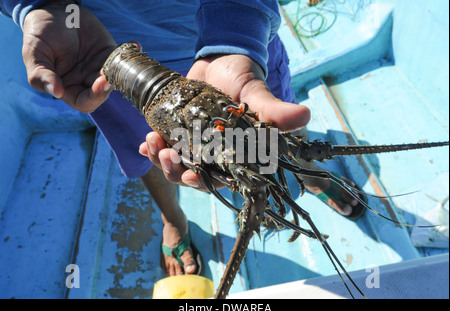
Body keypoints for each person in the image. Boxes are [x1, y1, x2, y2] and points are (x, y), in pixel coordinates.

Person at [0, 0, 363, 278]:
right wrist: (38, 5)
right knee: (152, 153)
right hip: (98, 60)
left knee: (273, 120)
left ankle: (310, 172)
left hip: (237, 46)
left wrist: (233, 39)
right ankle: (174, 219)